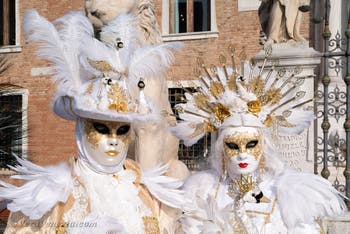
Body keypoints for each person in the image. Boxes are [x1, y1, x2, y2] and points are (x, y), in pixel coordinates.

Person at [0, 9, 184, 233]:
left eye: (122, 130)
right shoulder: (49, 198)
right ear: (81, 128)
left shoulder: (146, 191)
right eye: (101, 129)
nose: (114, 141)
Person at [170, 49, 347, 233]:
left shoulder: (287, 194)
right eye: (233, 146)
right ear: (221, 149)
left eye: (251, 144)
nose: (242, 154)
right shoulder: (203, 190)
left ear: (263, 146)